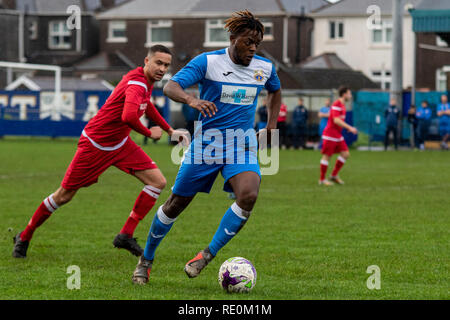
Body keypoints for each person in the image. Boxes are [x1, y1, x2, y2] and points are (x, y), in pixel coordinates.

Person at [131, 10, 282, 284]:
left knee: (248, 195)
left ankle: (206, 255)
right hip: (207, 145)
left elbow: (275, 90)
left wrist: (271, 125)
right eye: (248, 41)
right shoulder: (208, 62)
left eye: (257, 43)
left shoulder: (264, 68)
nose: (253, 48)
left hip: (241, 145)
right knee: (176, 203)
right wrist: (191, 101)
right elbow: (170, 86)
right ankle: (146, 259)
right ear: (233, 37)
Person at [12, 45, 186, 258]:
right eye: (158, 63)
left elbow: (146, 105)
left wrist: (169, 130)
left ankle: (125, 235)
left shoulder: (144, 81)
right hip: (95, 145)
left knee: (157, 182)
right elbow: (129, 116)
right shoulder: (136, 83)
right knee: (64, 195)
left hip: (120, 144)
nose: (162, 68)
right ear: (146, 61)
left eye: (166, 65)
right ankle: (25, 235)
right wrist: (149, 133)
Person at [319, 87, 358, 186]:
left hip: (337, 135)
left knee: (345, 154)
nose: (350, 96)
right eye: (349, 94)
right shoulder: (337, 104)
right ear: (344, 94)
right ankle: (322, 180)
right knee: (327, 156)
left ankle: (333, 175)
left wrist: (347, 128)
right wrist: (350, 127)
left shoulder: (343, 105)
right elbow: (336, 120)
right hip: (330, 135)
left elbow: (338, 121)